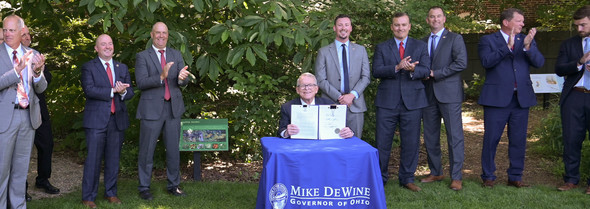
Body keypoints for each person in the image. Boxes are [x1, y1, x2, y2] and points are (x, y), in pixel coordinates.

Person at [478, 8, 544, 188]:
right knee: (491, 139)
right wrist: (507, 47)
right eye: (519, 21)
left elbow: (539, 62)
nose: (523, 24)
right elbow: (486, 62)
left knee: (518, 140)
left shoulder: (526, 41)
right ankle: (488, 176)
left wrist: (528, 47)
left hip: (521, 99)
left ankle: (515, 176)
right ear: (507, 22)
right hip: (496, 99)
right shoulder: (488, 40)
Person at [373, 12, 430, 192]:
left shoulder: (420, 46)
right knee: (382, 142)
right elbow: (376, 71)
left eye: (404, 25)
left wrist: (413, 69)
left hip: (412, 102)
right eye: (397, 25)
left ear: (409, 26)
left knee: (411, 142)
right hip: (387, 102)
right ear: (392, 27)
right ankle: (380, 178)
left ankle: (407, 178)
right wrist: (397, 67)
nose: (400, 28)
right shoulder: (382, 47)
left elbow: (426, 70)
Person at [135, 22, 192, 200]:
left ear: (168, 35)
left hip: (173, 109)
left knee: (174, 150)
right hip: (151, 110)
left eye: (164, 33)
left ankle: (173, 185)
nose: (161, 36)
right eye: (158, 33)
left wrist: (183, 78)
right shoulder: (142, 56)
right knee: (147, 150)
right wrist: (161, 76)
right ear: (151, 35)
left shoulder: (176, 54)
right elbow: (141, 82)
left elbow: (182, 82)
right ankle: (144, 187)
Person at [80, 34, 134, 208]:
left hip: (116, 120)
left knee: (113, 159)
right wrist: (113, 91)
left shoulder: (122, 67)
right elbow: (89, 90)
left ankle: (111, 193)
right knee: (93, 160)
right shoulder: (88, 67)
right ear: (96, 48)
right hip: (96, 121)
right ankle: (88, 196)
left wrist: (123, 92)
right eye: (103, 44)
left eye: (110, 44)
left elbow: (130, 91)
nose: (107, 46)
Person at [0, 15, 48, 209]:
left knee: (21, 170)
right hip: (5, 118)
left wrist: (37, 73)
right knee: (2, 170)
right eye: (5, 30)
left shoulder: (32, 53)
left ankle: (18, 206)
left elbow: (41, 88)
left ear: (22, 32)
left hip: (28, 118)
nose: (7, 33)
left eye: (12, 30)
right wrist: (16, 71)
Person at [419, 6, 467, 191]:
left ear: (444, 19)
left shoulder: (455, 38)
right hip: (428, 94)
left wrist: (435, 73)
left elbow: (461, 63)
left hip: (449, 94)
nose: (435, 19)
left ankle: (456, 176)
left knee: (454, 136)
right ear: (427, 20)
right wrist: (421, 72)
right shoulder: (422, 42)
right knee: (430, 135)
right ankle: (436, 171)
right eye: (432, 17)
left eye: (439, 16)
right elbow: (422, 66)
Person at [315, 14, 370, 138]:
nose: (343, 28)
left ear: (351, 28)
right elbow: (320, 79)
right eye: (340, 25)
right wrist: (340, 97)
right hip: (331, 105)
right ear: (334, 28)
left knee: (354, 145)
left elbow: (365, 77)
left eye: (346, 25)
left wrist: (352, 95)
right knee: (330, 145)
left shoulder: (361, 50)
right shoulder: (324, 52)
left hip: (355, 106)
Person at [22, 26, 60, 203]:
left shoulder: (36, 54)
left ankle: (43, 180)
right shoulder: (8, 57)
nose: (28, 37)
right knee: (22, 151)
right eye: (24, 35)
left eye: (29, 34)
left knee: (47, 144)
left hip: (39, 108)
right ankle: (21, 188)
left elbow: (49, 78)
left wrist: (39, 71)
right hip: (20, 111)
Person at [555, 5, 590, 194]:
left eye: (583, 25)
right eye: (577, 25)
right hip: (574, 96)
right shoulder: (568, 44)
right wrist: (579, 63)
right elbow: (559, 69)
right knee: (571, 139)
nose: (579, 29)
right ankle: (571, 180)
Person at [278, 72, 354, 139]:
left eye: (310, 85)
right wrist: (286, 132)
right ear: (297, 90)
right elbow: (280, 131)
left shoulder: (329, 105)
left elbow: (343, 127)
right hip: (299, 147)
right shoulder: (287, 107)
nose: (307, 88)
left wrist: (348, 132)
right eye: (303, 85)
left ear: (316, 89)